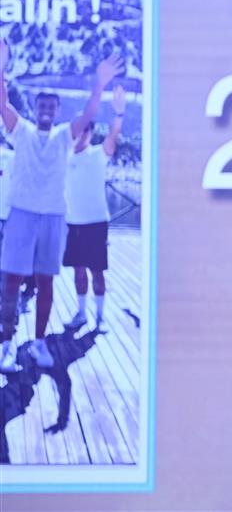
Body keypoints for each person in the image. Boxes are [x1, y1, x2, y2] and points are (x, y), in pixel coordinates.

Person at [0, 38, 123, 372]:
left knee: (46, 283)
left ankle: (39, 343)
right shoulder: (21, 131)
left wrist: (100, 84)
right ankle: (6, 346)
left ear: (56, 112)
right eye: (41, 106)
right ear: (35, 108)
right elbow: (2, 102)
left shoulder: (64, 136)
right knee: (11, 282)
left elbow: (89, 113)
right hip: (22, 213)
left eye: (51, 107)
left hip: (54, 217)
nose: (45, 110)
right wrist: (1, 67)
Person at [63, 84, 127, 332]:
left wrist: (119, 113)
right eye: (79, 128)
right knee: (78, 272)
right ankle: (81, 313)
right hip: (72, 224)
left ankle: (100, 318)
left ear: (91, 132)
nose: (82, 133)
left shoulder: (99, 154)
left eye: (87, 129)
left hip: (96, 223)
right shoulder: (64, 157)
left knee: (97, 272)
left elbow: (113, 136)